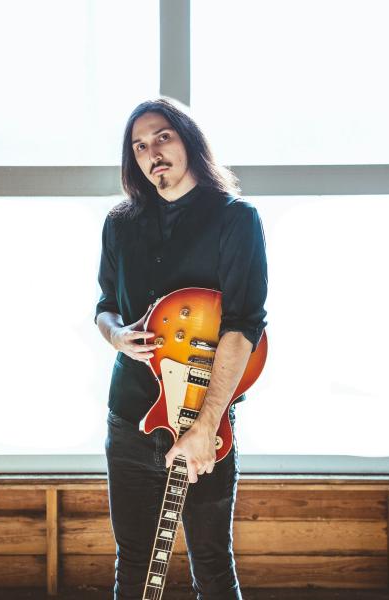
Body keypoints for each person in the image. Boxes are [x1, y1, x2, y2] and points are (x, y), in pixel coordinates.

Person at [94, 98, 268, 600]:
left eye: (162, 136)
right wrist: (116, 336)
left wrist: (205, 427)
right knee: (133, 564)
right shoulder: (120, 222)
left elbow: (245, 324)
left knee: (211, 565)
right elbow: (105, 303)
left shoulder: (237, 219)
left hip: (203, 420)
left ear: (187, 138)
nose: (153, 152)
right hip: (128, 416)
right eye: (140, 146)